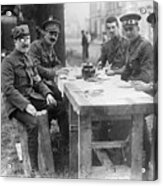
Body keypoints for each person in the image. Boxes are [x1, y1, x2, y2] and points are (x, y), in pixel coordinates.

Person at [1, 24, 63, 177]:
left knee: (60, 107)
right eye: (21, 39)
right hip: (16, 105)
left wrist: (48, 94)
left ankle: (61, 148)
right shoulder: (8, 62)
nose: (25, 42)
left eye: (27, 38)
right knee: (32, 123)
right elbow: (8, 89)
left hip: (32, 98)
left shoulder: (28, 58)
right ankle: (34, 168)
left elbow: (37, 81)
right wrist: (26, 105)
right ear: (15, 42)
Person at [28, 18, 69, 148]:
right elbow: (36, 70)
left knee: (63, 102)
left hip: (45, 88)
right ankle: (60, 144)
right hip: (35, 91)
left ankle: (63, 142)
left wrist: (54, 71)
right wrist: (53, 73)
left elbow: (58, 64)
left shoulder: (50, 48)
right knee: (62, 108)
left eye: (56, 34)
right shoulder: (35, 47)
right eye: (51, 33)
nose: (53, 37)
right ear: (43, 33)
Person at [120, 13, 154, 83]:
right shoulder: (129, 45)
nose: (128, 33)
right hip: (133, 84)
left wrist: (130, 80)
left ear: (138, 29)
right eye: (126, 30)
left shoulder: (145, 46)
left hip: (144, 87)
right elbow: (127, 69)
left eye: (131, 29)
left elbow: (147, 75)